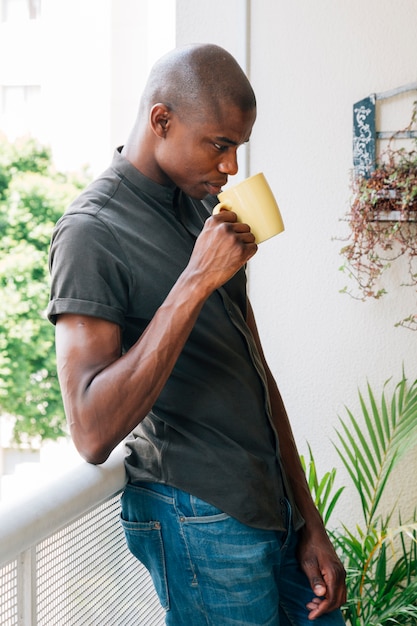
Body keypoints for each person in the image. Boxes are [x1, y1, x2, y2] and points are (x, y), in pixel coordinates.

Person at [47, 43, 346, 625]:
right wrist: (194, 281)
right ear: (162, 120)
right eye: (220, 144)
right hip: (201, 520)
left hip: (274, 508)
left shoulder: (199, 212)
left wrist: (309, 517)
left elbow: (255, 370)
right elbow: (90, 432)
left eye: (238, 146)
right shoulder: (90, 232)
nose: (232, 166)